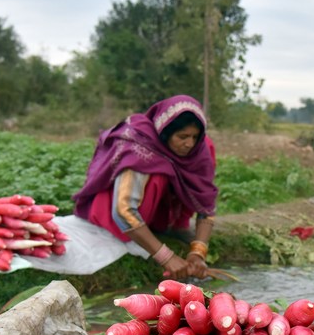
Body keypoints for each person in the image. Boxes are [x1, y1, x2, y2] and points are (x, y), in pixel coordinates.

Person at [73, 95, 218, 280]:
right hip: (116, 212)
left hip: (161, 213)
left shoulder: (199, 149)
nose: (189, 144)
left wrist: (198, 252)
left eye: (194, 137)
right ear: (165, 133)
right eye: (182, 137)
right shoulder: (139, 145)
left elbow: (206, 200)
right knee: (157, 171)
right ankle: (142, 231)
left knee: (204, 150)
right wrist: (166, 257)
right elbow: (123, 211)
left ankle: (170, 224)